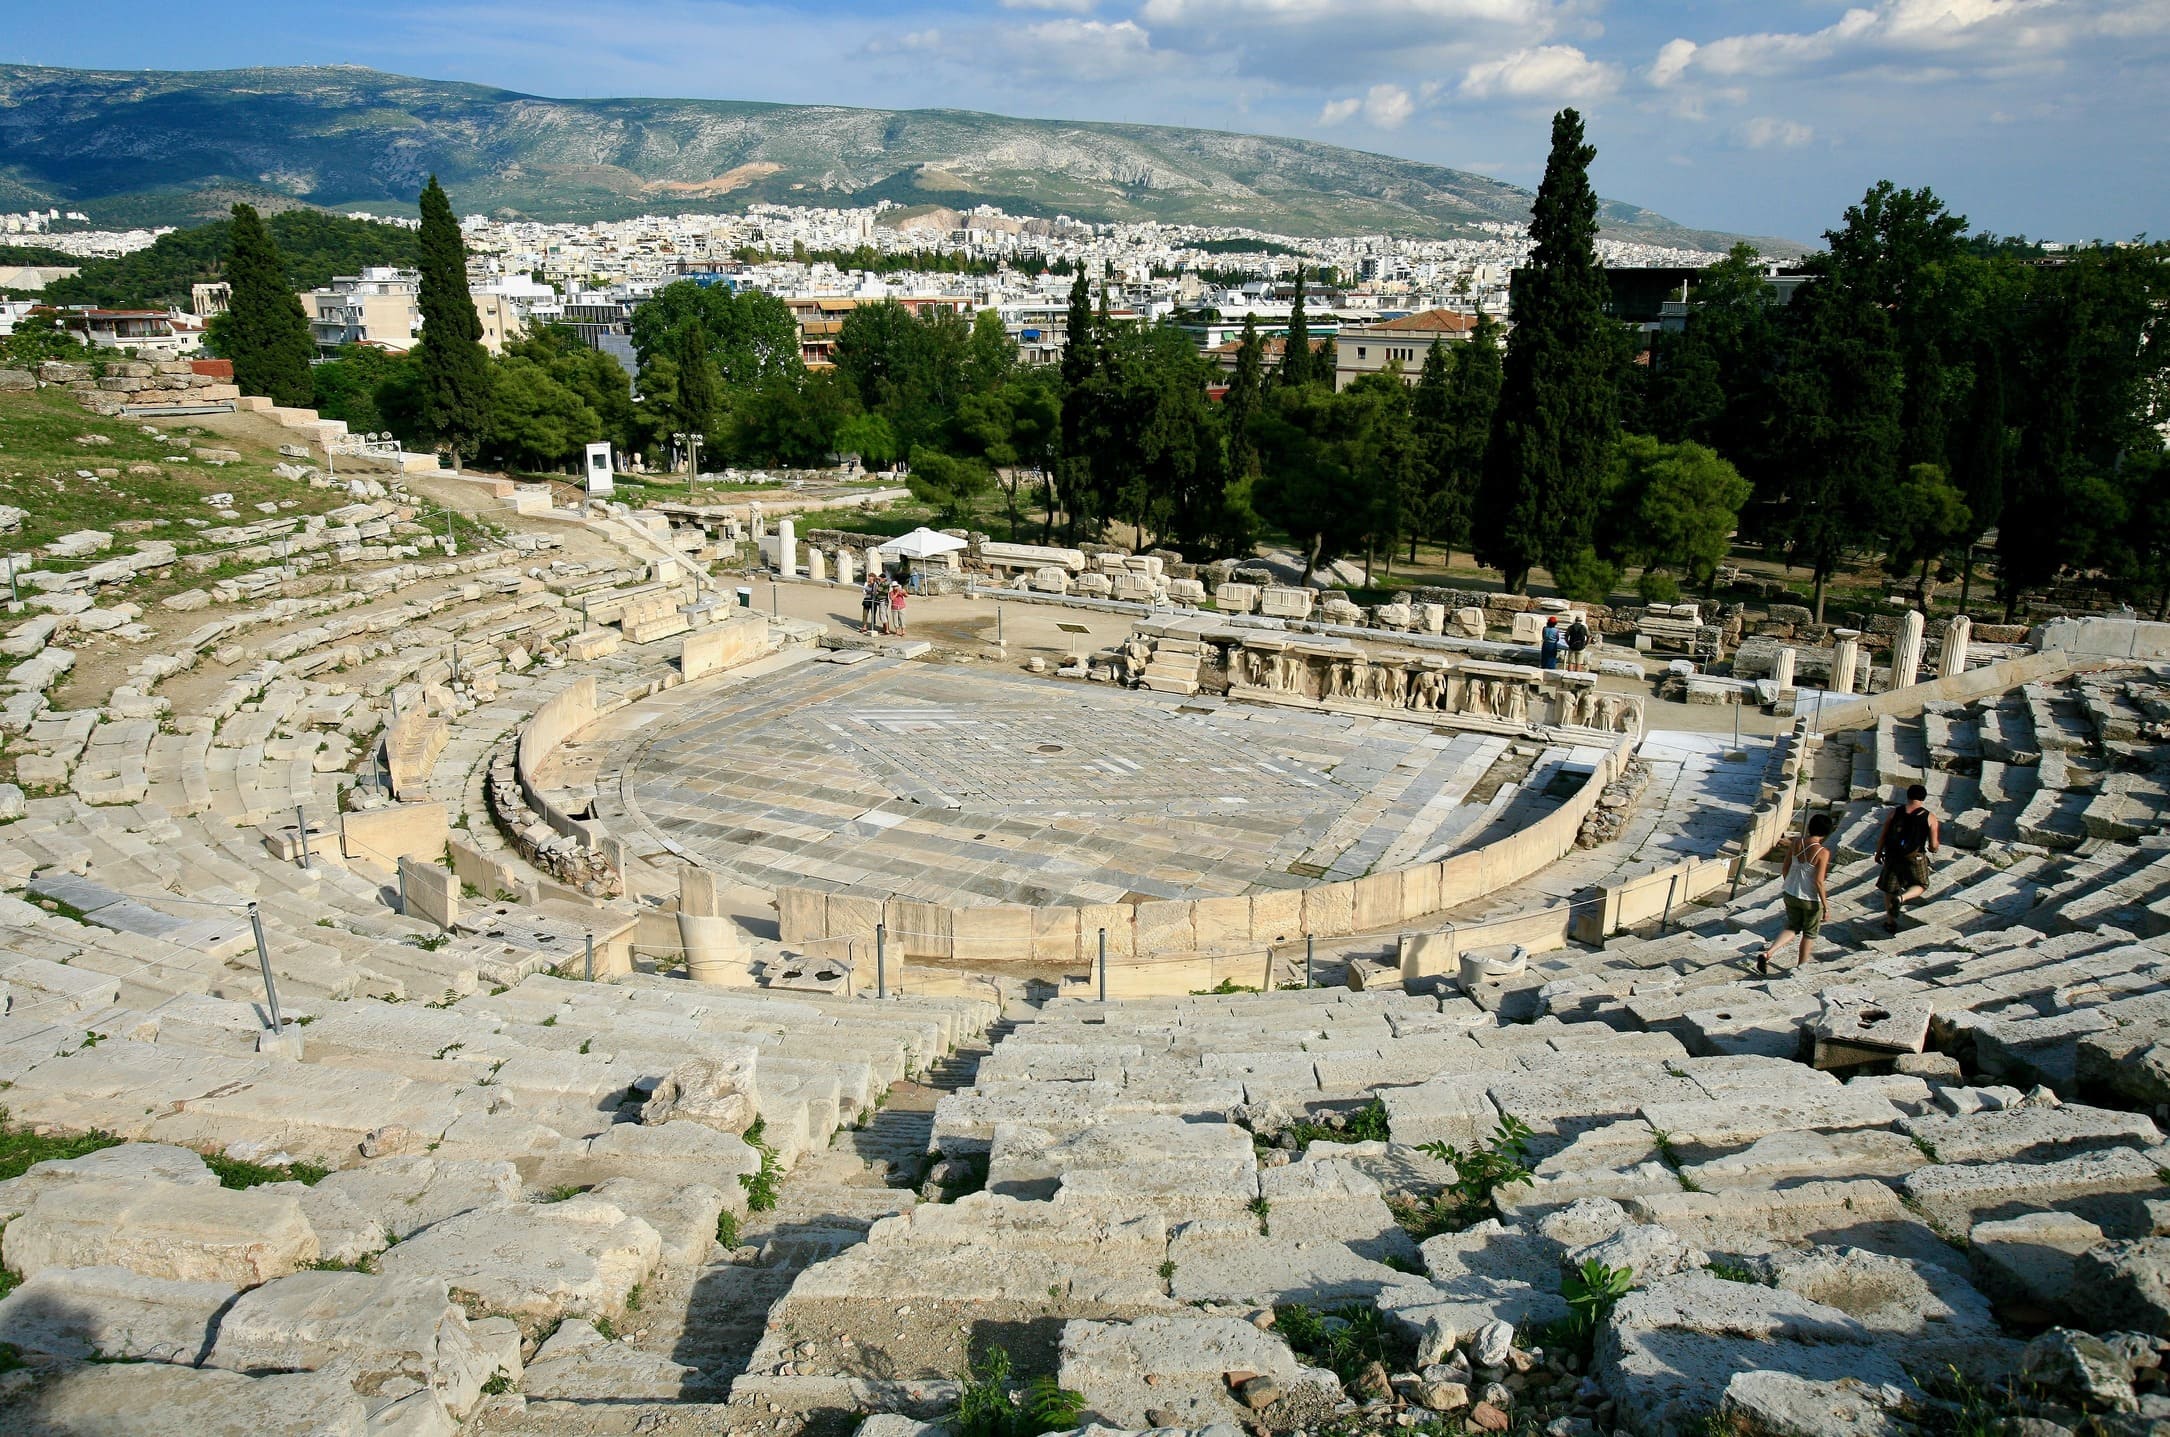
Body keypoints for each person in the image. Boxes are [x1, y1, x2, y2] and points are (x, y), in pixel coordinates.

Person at [1759, 812, 1833, 974]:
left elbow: (1785, 868)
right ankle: (1801, 967)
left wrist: (1790, 884)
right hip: (1809, 899)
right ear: (1827, 832)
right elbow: (1819, 881)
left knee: (1792, 927)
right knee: (1809, 933)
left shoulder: (1796, 843)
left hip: (1790, 893)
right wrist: (1826, 907)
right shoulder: (1823, 853)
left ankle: (1768, 953)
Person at [1874, 783, 1940, 934]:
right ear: (1923, 798)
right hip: (1914, 857)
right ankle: (1902, 898)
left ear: (1908, 796)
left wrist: (1878, 853)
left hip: (1892, 855)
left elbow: (1883, 835)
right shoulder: (1929, 816)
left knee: (1889, 889)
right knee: (1921, 884)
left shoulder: (1895, 812)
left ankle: (1890, 923)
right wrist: (1932, 848)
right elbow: (1934, 845)